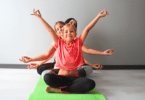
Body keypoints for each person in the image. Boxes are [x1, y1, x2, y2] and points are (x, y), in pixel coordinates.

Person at [22, 9, 113, 94]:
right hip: (61, 77)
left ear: (75, 34)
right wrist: (40, 17)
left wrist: (98, 16)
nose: (69, 33)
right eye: (66, 32)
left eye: (71, 31)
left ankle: (62, 89)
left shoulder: (78, 43)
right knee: (47, 77)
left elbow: (87, 30)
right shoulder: (59, 43)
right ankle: (70, 88)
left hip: (74, 78)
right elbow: (50, 30)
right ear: (62, 34)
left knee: (91, 84)